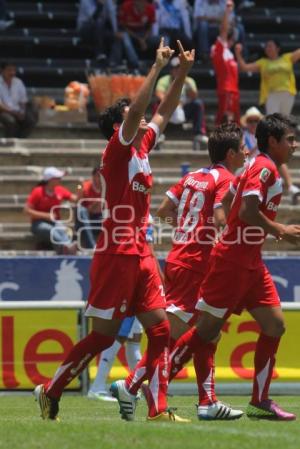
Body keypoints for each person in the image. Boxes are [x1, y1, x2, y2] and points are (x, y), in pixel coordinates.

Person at [34, 38, 195, 423]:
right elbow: (140, 110)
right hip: (116, 252)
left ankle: (153, 406)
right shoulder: (117, 150)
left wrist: (182, 72)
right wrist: (154, 68)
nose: (142, 117)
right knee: (104, 336)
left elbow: (163, 112)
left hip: (140, 252)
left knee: (159, 333)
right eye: (131, 114)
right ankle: (51, 389)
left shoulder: (141, 148)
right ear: (119, 126)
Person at [116, 123, 246, 420]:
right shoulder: (226, 178)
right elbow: (219, 217)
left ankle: (208, 401)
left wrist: (188, 229)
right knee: (172, 334)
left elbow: (162, 212)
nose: (247, 152)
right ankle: (131, 384)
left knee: (209, 333)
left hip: (180, 256)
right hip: (198, 262)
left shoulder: (192, 176)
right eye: (242, 148)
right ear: (230, 153)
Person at [173, 113, 299, 421]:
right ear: (273, 141)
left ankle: (260, 400)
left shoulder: (253, 166)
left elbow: (228, 202)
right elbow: (245, 209)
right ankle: (145, 381)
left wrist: (229, 229)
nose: (295, 145)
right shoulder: (265, 167)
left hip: (250, 262)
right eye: (290, 140)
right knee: (205, 331)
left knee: (275, 325)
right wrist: (280, 230)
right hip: (232, 262)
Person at [241, 106, 300, 204]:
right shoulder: (244, 136)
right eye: (250, 121)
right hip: (250, 162)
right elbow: (245, 154)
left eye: (256, 121)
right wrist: (258, 144)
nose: (253, 123)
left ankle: (290, 186)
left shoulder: (267, 136)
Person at [235, 39, 300, 116]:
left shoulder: (287, 58)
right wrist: (238, 53)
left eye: (270, 46)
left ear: (277, 48)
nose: (267, 48)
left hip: (287, 94)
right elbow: (244, 68)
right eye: (266, 47)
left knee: (285, 120)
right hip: (271, 95)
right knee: (273, 120)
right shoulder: (263, 62)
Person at [155, 56, 207, 150]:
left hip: (184, 109)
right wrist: (173, 103)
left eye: (181, 68)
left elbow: (194, 96)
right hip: (169, 110)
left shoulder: (189, 80)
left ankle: (198, 133)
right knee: (157, 104)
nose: (179, 70)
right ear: (172, 70)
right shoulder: (164, 80)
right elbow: (159, 94)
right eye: (177, 68)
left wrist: (186, 82)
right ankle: (158, 133)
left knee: (198, 104)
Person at [24, 167, 77, 255]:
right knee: (53, 231)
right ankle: (67, 248)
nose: (60, 179)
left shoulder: (60, 189)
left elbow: (75, 199)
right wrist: (46, 216)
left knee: (64, 230)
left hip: (55, 222)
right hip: (38, 223)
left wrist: (80, 190)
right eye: (57, 178)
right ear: (50, 180)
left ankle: (66, 249)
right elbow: (26, 210)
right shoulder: (38, 191)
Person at [88, 316, 143, 401]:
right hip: (128, 306)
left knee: (134, 340)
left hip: (138, 307)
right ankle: (97, 388)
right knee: (118, 337)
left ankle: (134, 389)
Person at [211, 1, 240, 125]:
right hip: (226, 89)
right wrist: (227, 12)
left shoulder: (229, 53)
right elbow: (223, 30)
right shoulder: (219, 48)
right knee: (224, 118)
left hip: (233, 91)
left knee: (234, 120)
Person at [118, 0, 160, 71]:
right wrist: (139, 39)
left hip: (143, 34)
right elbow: (124, 27)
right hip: (130, 34)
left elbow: (150, 27)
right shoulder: (126, 6)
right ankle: (136, 64)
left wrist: (143, 39)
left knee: (164, 38)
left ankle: (160, 63)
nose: (142, 3)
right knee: (124, 38)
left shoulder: (150, 8)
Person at [77, 0, 121, 65]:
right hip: (85, 29)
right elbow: (93, 17)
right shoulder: (85, 1)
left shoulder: (107, 1)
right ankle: (99, 53)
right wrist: (100, 5)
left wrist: (115, 31)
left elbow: (112, 14)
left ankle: (113, 63)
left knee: (117, 36)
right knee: (99, 23)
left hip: (100, 30)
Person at [0, 62, 38, 138]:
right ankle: (9, 143)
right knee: (10, 121)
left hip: (17, 111)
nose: (12, 73)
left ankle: (20, 140)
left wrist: (22, 112)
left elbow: (23, 101)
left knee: (30, 120)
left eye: (14, 70)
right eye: (9, 70)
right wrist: (13, 112)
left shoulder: (18, 82)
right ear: (2, 71)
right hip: (3, 111)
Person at [76, 167, 102, 250]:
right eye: (98, 176)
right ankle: (92, 246)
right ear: (93, 176)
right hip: (86, 218)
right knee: (81, 210)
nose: (100, 178)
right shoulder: (84, 186)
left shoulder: (108, 187)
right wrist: (95, 205)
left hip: (101, 217)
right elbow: (79, 205)